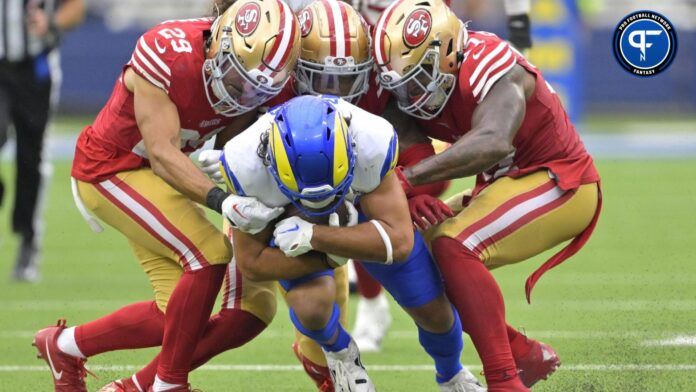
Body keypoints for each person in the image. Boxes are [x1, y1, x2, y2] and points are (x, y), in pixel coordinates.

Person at [33, 2, 300, 391]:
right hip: (113, 169)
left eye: (257, 88)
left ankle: (64, 346)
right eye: (239, 78)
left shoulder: (257, 70)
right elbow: (160, 153)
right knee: (209, 253)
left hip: (160, 175)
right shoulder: (167, 51)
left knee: (173, 313)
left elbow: (231, 141)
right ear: (218, 44)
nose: (244, 92)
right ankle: (168, 384)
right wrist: (220, 200)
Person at [372, 0, 601, 390]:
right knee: (413, 248)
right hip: (503, 184)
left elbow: (493, 141)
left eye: (417, 76)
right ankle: (519, 350)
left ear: (449, 53)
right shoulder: (415, 84)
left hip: (560, 180)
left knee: (453, 243)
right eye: (399, 80)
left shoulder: (489, 64)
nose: (408, 91)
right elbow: (410, 151)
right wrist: (409, 197)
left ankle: (504, 380)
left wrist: (407, 182)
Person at [219, 94, 483, 391]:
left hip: (357, 203)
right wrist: (329, 255)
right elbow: (252, 263)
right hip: (293, 214)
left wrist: (315, 237)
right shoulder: (245, 163)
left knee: (434, 311)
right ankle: (340, 352)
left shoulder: (370, 139)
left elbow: (398, 242)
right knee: (311, 305)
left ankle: (452, 373)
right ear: (271, 162)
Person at [0, 0, 85, 282]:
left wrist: (52, 21)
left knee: (30, 157)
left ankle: (28, 237)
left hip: (34, 68)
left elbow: (75, 7)